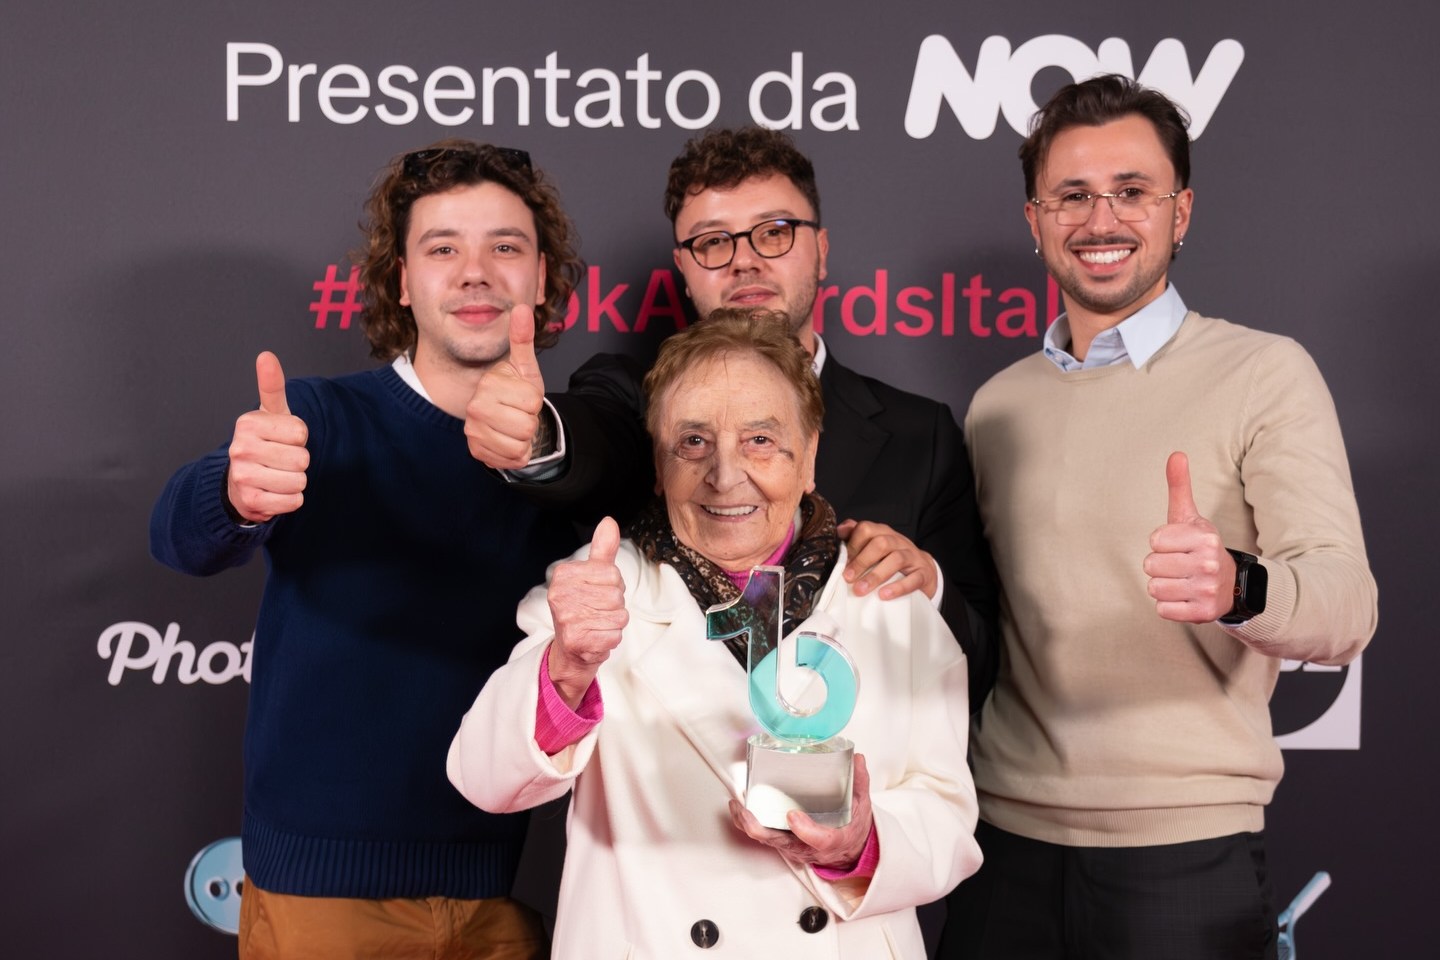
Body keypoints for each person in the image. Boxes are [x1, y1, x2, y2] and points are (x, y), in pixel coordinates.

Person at [150, 139, 645, 959]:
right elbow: (179, 540)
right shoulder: (320, 418)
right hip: (323, 900)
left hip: (507, 892)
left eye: (505, 248)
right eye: (443, 249)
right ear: (403, 281)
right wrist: (232, 493)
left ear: (543, 278)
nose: (475, 273)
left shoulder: (571, 451)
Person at [940, 75, 1379, 959]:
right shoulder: (996, 407)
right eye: (1071, 195)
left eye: (1132, 191)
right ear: (1035, 221)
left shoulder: (1265, 373)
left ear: (1181, 212)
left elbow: (1347, 606)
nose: (1100, 220)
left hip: (1186, 857)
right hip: (1002, 850)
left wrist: (1238, 587)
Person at [448, 311, 982, 959]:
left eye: (760, 439)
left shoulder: (892, 601)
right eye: (693, 442)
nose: (725, 476)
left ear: (810, 456)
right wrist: (566, 671)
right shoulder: (597, 590)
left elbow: (948, 823)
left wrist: (859, 846)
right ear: (657, 463)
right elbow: (485, 780)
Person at [470, 126, 1000, 706]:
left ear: (822, 250)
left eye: (774, 232)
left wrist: (929, 585)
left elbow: (979, 669)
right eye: (713, 242)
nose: (745, 262)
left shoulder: (920, 434)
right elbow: (595, 442)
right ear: (683, 267)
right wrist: (537, 436)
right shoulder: (634, 398)